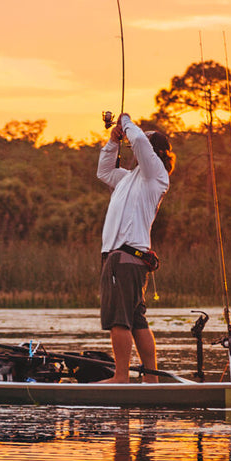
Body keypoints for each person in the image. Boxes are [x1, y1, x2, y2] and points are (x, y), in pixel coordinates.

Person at [96, 112, 174, 383]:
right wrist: (113, 141)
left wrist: (125, 120)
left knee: (119, 320)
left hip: (125, 259)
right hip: (126, 259)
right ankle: (151, 379)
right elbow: (104, 171)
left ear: (155, 153)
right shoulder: (128, 179)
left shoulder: (156, 175)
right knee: (137, 320)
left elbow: (140, 141)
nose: (134, 149)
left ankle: (121, 377)